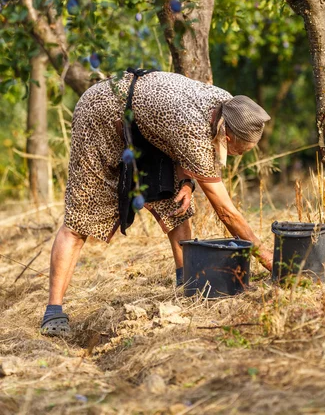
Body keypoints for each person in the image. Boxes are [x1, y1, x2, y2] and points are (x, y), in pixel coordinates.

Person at [40, 69, 273, 336]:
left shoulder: (229, 106)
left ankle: (186, 286)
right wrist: (267, 258)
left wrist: (187, 183)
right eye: (238, 152)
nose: (238, 157)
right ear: (227, 137)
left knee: (176, 205)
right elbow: (226, 212)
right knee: (80, 219)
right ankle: (53, 312)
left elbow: (178, 141)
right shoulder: (194, 128)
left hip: (145, 125)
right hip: (101, 114)